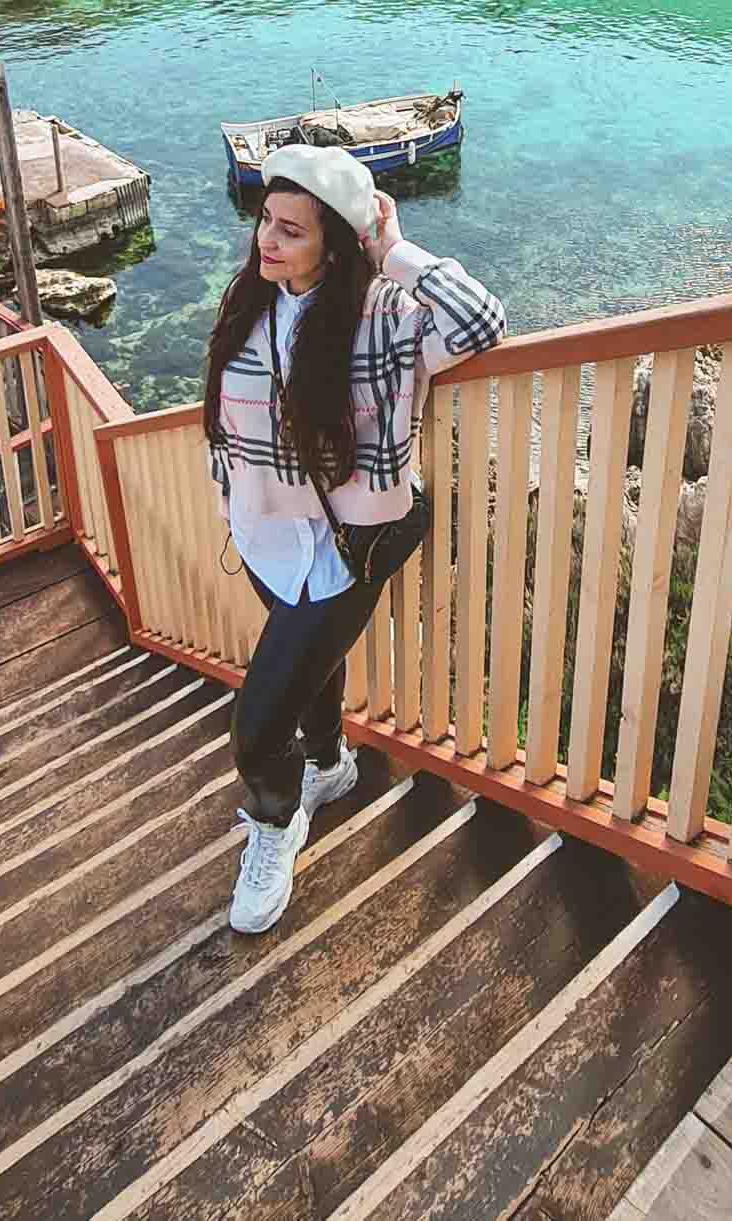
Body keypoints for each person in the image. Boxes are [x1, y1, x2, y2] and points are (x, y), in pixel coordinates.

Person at [202, 144, 505, 933]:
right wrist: (226, 491)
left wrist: (391, 247)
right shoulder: (248, 301)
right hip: (268, 543)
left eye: (292, 230)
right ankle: (331, 766)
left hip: (339, 556)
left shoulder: (385, 320)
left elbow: (482, 318)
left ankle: (276, 823)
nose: (268, 239)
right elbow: (225, 418)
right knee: (312, 668)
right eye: (266, 220)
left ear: (336, 241)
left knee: (257, 728)